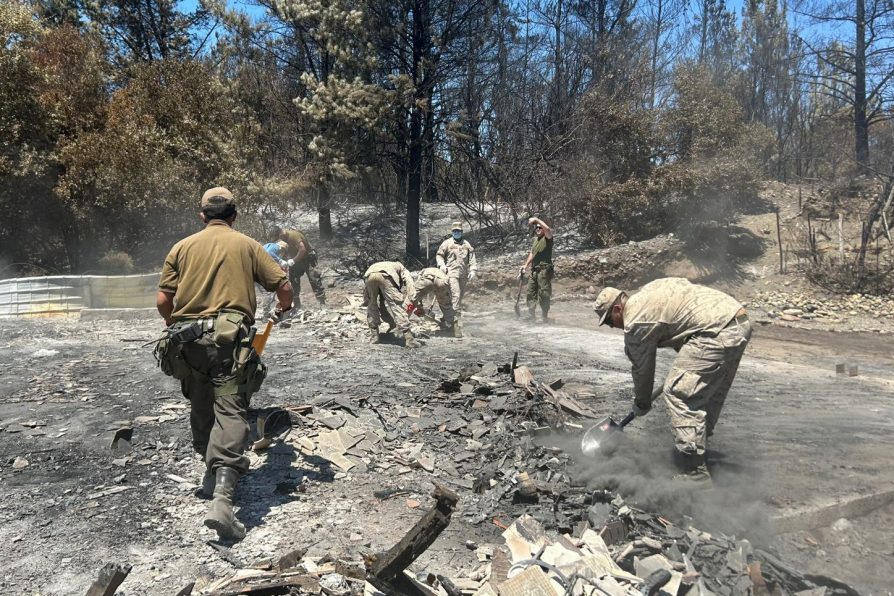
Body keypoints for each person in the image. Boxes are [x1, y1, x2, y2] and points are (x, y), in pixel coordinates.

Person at [155, 186, 294, 540]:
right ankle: (223, 500)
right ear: (234, 215)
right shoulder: (247, 245)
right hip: (229, 341)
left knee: (201, 403)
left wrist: (177, 327)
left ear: (202, 216)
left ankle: (208, 472)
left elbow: (162, 301)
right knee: (231, 409)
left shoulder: (181, 247)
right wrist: (282, 310)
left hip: (187, 342)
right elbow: (284, 289)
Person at [592, 278, 752, 485]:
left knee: (678, 392)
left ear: (617, 309)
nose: (612, 326)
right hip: (737, 321)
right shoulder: (650, 290)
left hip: (714, 332)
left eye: (609, 321)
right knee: (705, 393)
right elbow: (682, 314)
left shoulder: (636, 321)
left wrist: (641, 403)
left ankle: (695, 474)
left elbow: (642, 370)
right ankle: (698, 451)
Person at [363, 260, 420, 348]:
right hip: (386, 275)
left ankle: (374, 336)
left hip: (369, 275)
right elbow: (409, 281)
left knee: (372, 304)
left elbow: (382, 307)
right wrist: (412, 296)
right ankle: (409, 339)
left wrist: (391, 322)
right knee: (396, 305)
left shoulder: (385, 264)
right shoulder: (401, 267)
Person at [436, 222, 477, 325]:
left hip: (463, 274)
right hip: (451, 273)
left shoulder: (466, 244)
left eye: (458, 231)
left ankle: (446, 318)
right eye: (454, 231)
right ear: (452, 232)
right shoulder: (447, 243)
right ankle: (455, 322)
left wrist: (473, 269)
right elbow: (439, 255)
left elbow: (472, 258)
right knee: (456, 295)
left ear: (462, 232)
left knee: (459, 298)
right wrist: (442, 265)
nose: (456, 233)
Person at [276, 228, 326, 309]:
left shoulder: (293, 235)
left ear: (282, 233)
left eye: (280, 236)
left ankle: (322, 302)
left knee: (314, 279)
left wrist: (293, 260)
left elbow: (302, 249)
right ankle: (297, 305)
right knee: (294, 282)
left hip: (307, 259)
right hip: (295, 262)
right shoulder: (282, 239)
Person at [519, 217, 553, 322]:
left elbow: (547, 229)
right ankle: (532, 315)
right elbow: (532, 253)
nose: (537, 229)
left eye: (540, 227)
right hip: (534, 270)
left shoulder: (547, 238)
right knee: (530, 292)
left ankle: (544, 316)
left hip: (544, 270)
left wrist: (537, 220)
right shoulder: (535, 240)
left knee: (544, 293)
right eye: (536, 228)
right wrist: (525, 265)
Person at [414, 267, 458, 336]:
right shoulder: (440, 272)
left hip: (428, 279)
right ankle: (455, 327)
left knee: (413, 296)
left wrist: (419, 306)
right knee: (445, 305)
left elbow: (415, 294)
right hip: (443, 281)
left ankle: (403, 323)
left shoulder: (422, 273)